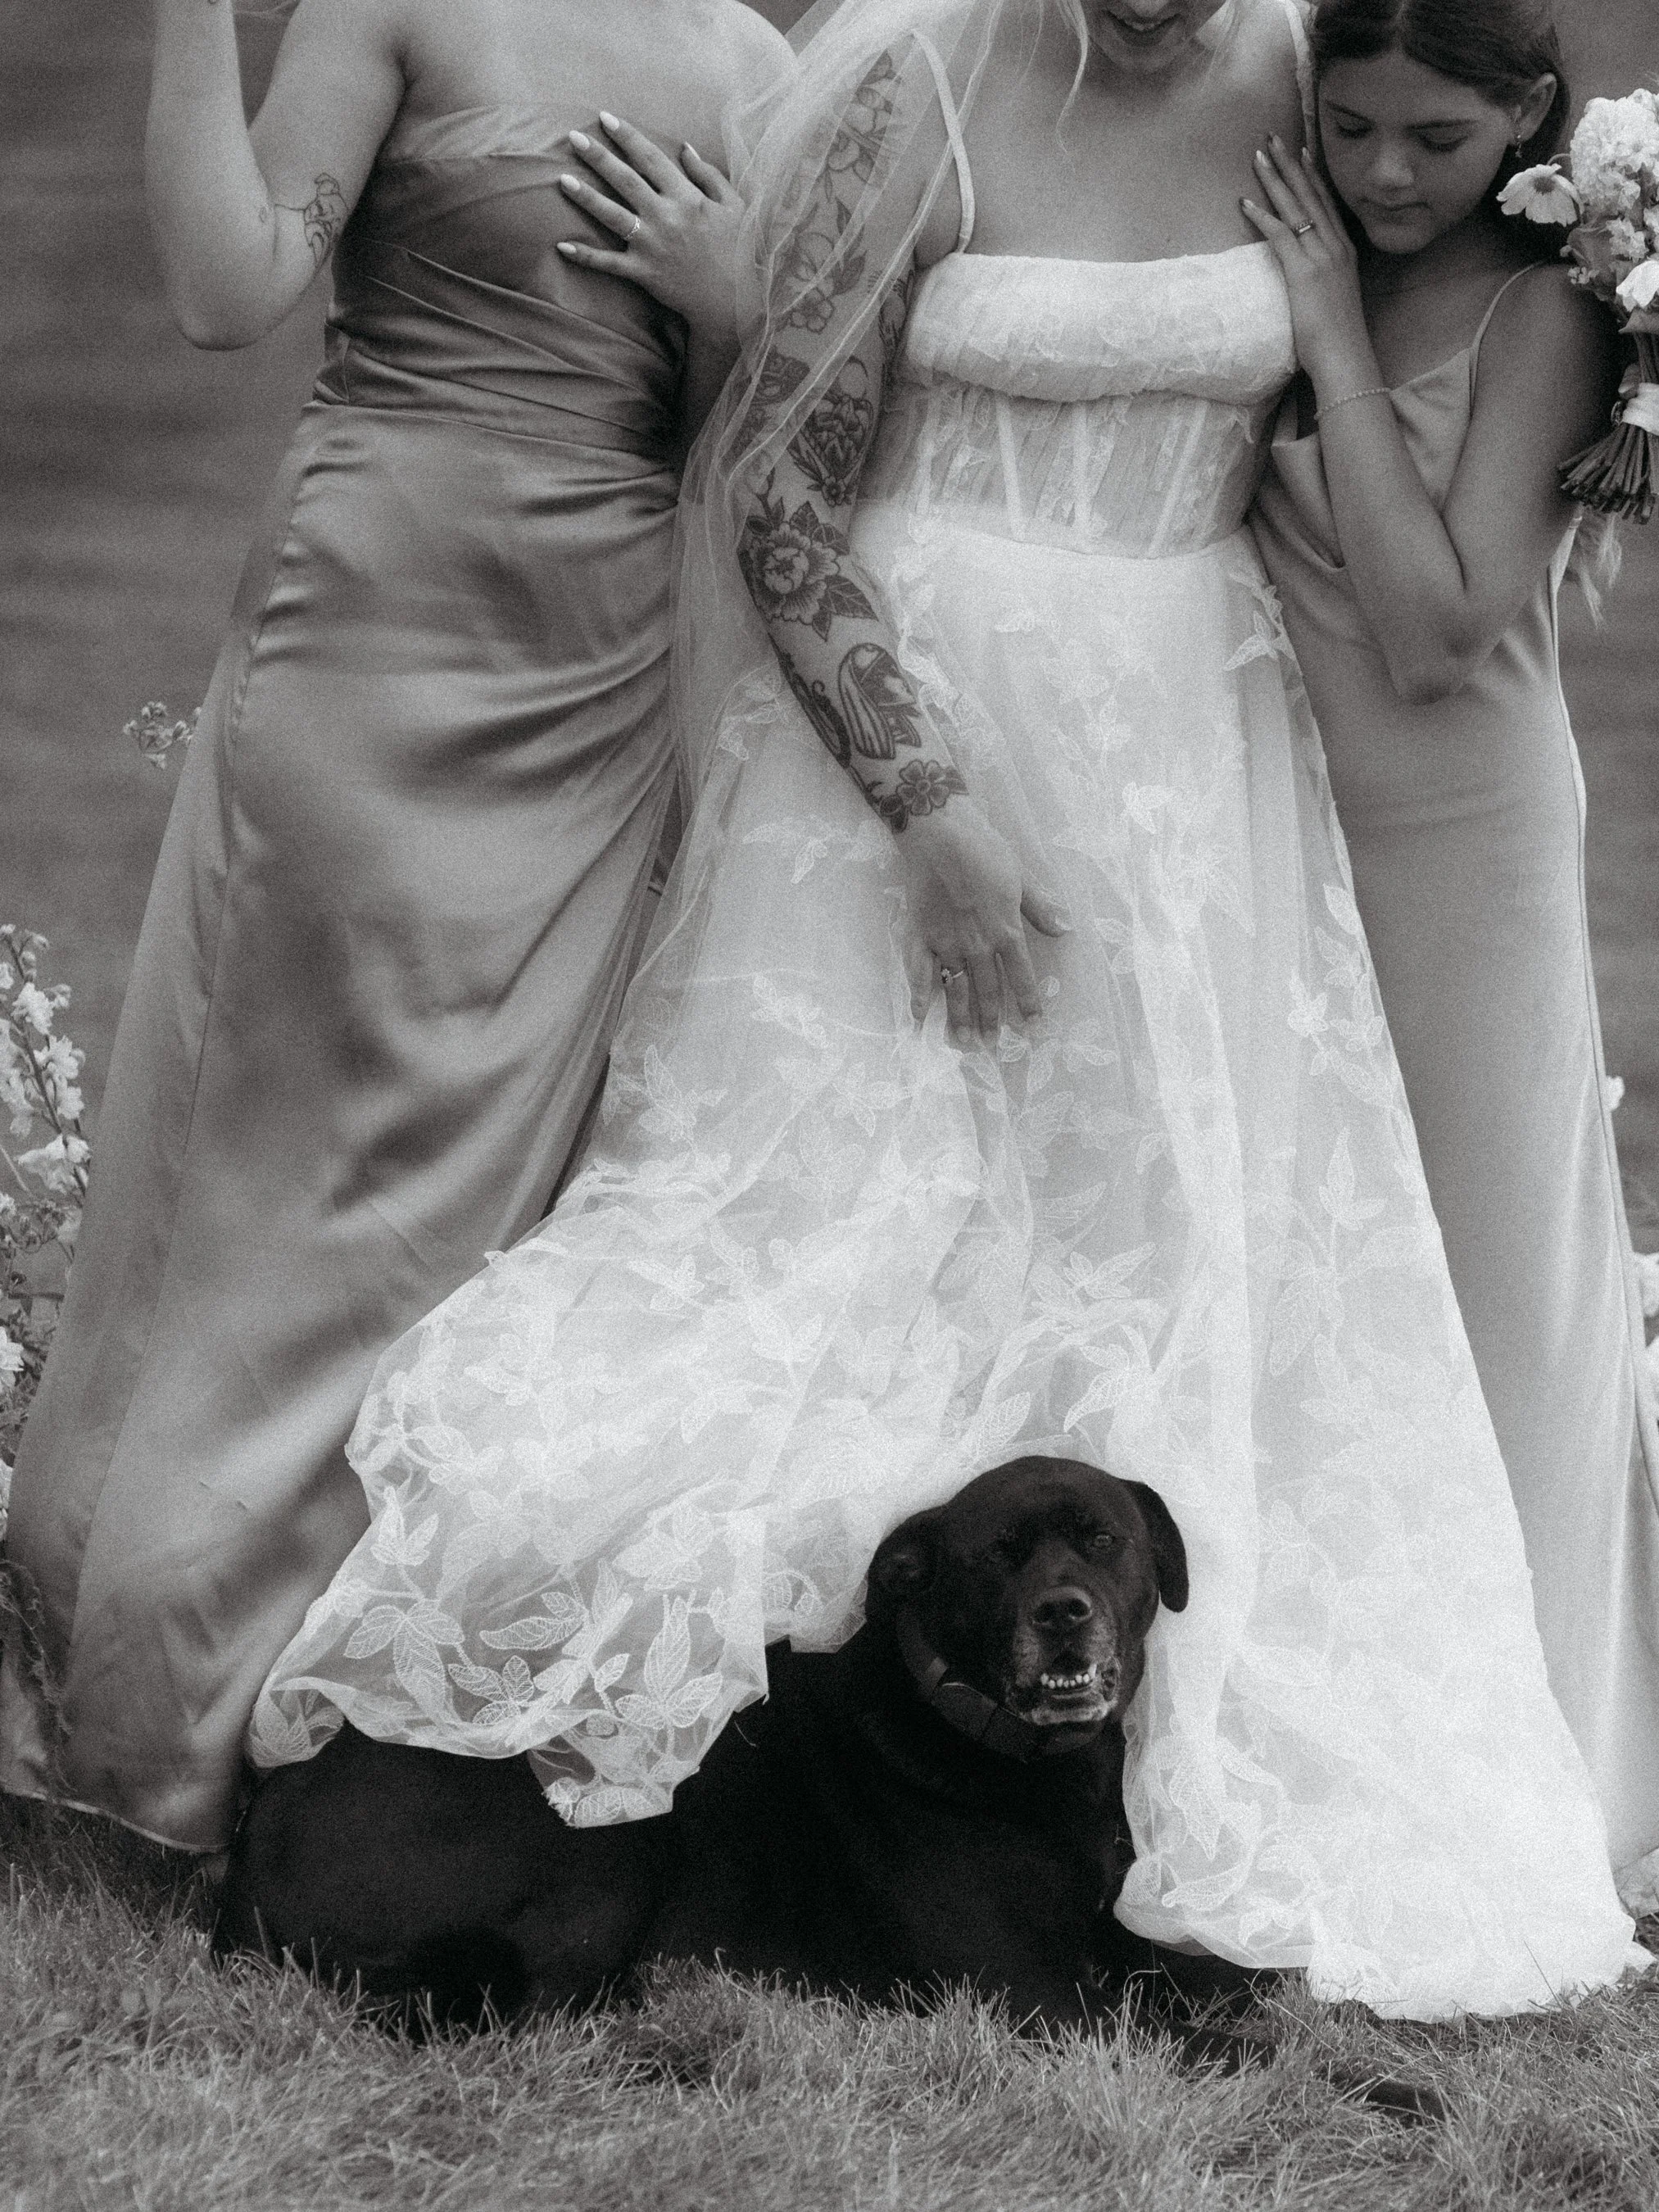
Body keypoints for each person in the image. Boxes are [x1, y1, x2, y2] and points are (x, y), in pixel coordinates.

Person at [251, 0, 1641, 2017]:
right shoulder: (926, 90)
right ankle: (780, 1769)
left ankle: (1100, 1751)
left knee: (1156, 1249)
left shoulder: (1317, 91)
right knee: (838, 1242)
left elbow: (1458, 315)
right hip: (912, 736)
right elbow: (783, 492)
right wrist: (931, 814)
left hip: (1192, 759)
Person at [0, 0, 791, 1853]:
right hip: (374, 629)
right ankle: (126, 1711)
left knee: (474, 1204)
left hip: (600, 671)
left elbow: (761, 442)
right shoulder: (399, 2)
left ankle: (353, 1739)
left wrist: (735, 305)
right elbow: (225, 293)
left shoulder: (757, 67)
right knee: (274, 1177)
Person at [1244, 0, 1659, 1911]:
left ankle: (1559, 1763)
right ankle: (1331, 1712)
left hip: (1457, 834)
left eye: (1435, 138)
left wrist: (1327, 332)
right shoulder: (1284, 222)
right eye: (1349, 129)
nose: (1386, 175)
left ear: (1527, 121)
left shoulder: (1539, 310)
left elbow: (1433, 627)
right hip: (1271, 811)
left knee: (1495, 1282)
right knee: (1315, 1264)